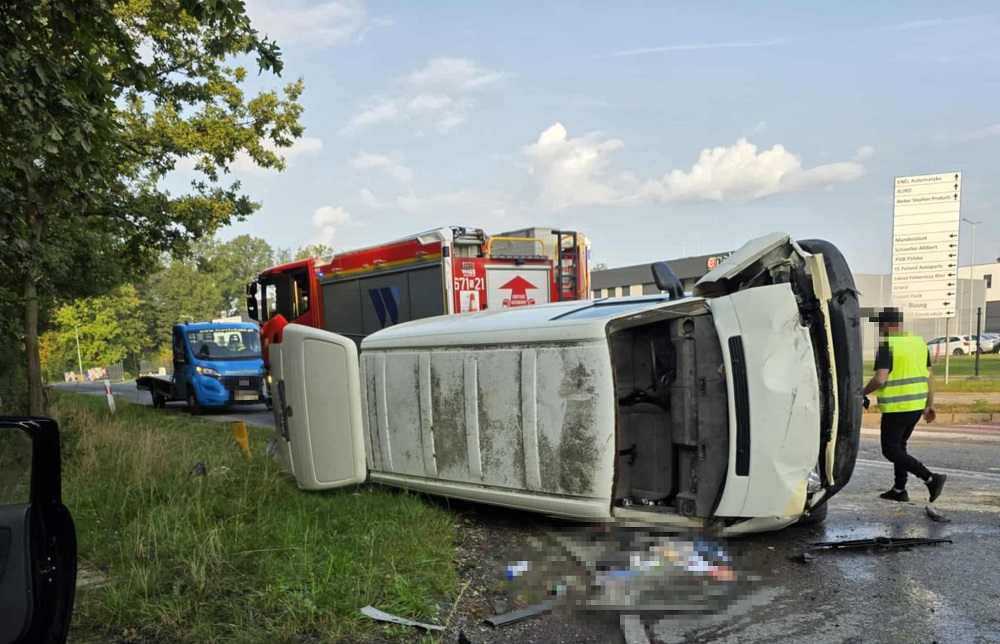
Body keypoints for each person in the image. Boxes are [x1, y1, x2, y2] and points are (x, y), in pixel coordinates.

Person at [862, 307, 946, 503]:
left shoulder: (887, 346)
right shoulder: (918, 343)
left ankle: (930, 478)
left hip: (897, 408)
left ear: (887, 325)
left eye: (880, 326)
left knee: (891, 450)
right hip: (916, 406)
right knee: (900, 447)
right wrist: (929, 404)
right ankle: (899, 489)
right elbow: (929, 375)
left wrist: (861, 392)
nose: (880, 330)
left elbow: (880, 379)